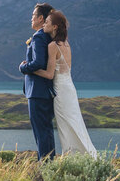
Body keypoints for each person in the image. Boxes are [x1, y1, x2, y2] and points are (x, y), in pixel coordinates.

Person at [34, 10, 98, 157]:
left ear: (55, 27)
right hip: (69, 88)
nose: (44, 24)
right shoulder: (66, 44)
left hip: (61, 91)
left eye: (47, 22)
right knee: (75, 124)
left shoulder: (52, 46)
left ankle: (72, 157)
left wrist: (31, 70)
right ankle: (82, 157)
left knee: (65, 126)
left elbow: (49, 75)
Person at [19, 2, 56, 160]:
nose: (31, 19)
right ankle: (50, 165)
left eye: (33, 16)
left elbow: (39, 62)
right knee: (46, 131)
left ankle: (46, 166)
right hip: (43, 92)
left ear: (41, 18)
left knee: (41, 132)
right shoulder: (47, 36)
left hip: (37, 91)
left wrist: (23, 67)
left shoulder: (39, 37)